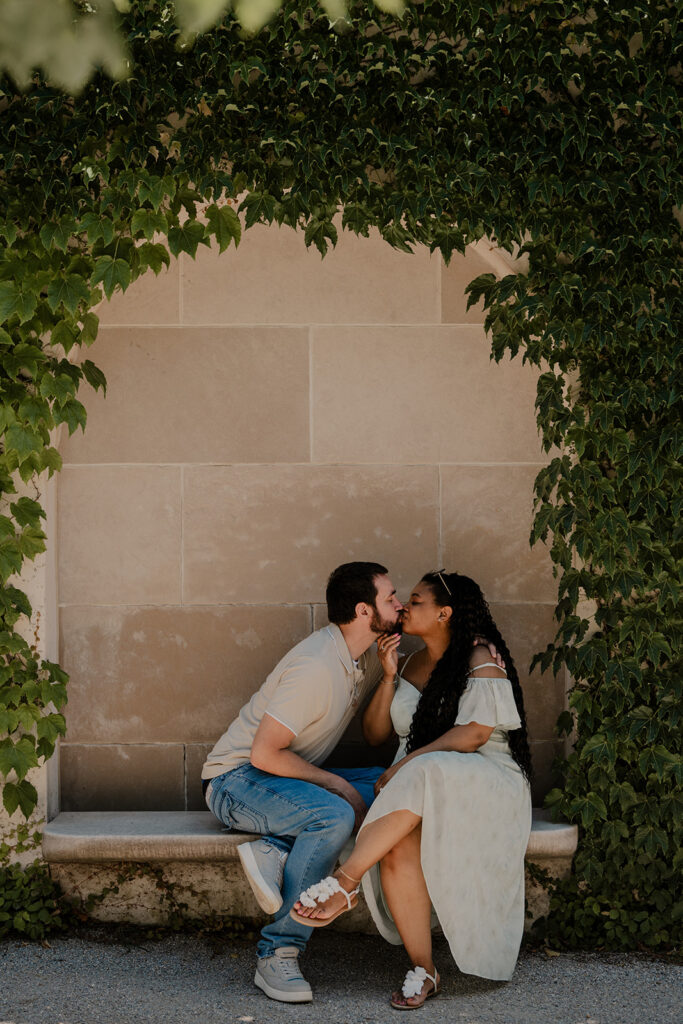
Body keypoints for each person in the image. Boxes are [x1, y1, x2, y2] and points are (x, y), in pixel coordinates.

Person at [291, 571, 533, 1010]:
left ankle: (346, 882)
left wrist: (409, 760)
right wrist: (387, 676)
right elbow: (375, 734)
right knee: (398, 849)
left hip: (485, 781)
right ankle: (425, 968)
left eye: (416, 601)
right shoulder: (408, 663)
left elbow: (475, 734)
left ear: (445, 613)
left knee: (427, 766)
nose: (405, 607)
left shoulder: (479, 656)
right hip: (420, 784)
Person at [201, 561, 403, 1004]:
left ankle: (274, 848)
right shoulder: (316, 665)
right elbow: (264, 753)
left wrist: (388, 676)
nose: (400, 604)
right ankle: (278, 952)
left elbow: (375, 737)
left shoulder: (364, 656)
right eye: (390, 598)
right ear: (364, 610)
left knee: (393, 783)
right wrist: (338, 785)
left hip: (280, 782)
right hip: (235, 781)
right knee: (335, 813)